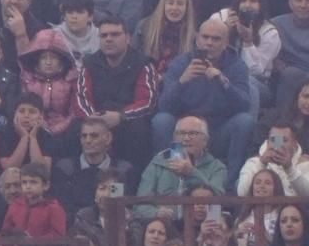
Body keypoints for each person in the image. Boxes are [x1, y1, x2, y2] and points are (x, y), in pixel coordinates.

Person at [152, 17, 255, 186]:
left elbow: (245, 105)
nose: (209, 43)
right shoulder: (181, 63)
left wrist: (223, 82)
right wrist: (182, 82)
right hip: (184, 134)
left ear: (226, 42)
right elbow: (164, 106)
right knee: (162, 121)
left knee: (244, 122)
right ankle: (167, 183)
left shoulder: (236, 64)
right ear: (197, 39)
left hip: (218, 131)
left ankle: (227, 188)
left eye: (216, 39)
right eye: (205, 37)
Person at [76, 15, 158, 168]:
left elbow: (148, 102)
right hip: (96, 117)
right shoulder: (89, 63)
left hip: (128, 120)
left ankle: (133, 183)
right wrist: (94, 120)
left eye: (115, 34)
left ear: (127, 37)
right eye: (104, 35)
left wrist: (121, 116)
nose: (108, 39)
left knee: (139, 130)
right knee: (75, 128)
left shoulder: (143, 63)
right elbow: (81, 97)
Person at [135, 117, 227, 219]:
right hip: (165, 227)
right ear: (174, 138)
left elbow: (218, 202)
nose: (186, 138)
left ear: (205, 140)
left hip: (200, 227)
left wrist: (191, 172)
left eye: (193, 133)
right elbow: (140, 203)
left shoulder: (217, 167)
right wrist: (156, 213)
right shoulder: (158, 162)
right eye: (181, 133)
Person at [55, 117, 133, 217]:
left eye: (94, 136)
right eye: (84, 136)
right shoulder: (65, 169)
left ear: (108, 138)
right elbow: (64, 208)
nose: (88, 140)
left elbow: (116, 203)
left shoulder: (121, 170)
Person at [239, 120, 309, 197]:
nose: (278, 145)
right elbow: (242, 193)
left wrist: (289, 169)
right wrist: (261, 163)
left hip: (294, 208)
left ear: (294, 144)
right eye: (274, 140)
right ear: (268, 142)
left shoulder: (305, 164)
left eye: (284, 140)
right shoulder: (254, 162)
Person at [1, 162, 66, 238]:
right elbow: (5, 233)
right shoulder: (15, 206)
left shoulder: (54, 208)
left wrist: (32, 242)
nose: (28, 186)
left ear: (46, 185)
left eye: (33, 182)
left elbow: (58, 237)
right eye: (24, 182)